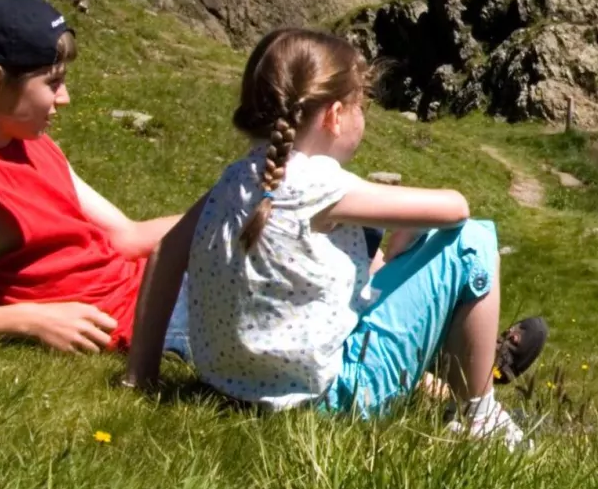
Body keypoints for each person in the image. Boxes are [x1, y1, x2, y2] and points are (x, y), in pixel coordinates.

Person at [123, 28, 543, 448]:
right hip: (329, 398)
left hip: (227, 385)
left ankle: (459, 380)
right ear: (335, 115)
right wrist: (406, 235)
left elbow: (165, 250)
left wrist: (140, 375)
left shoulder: (235, 180)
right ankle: (479, 415)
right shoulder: (319, 183)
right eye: (362, 105)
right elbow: (457, 209)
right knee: (475, 241)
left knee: (382, 259)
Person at [0, 0, 184, 353]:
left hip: (159, 288)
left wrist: (229, 214)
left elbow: (125, 236)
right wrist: (26, 320)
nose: (64, 98)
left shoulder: (35, 144)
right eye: (52, 82)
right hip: (140, 323)